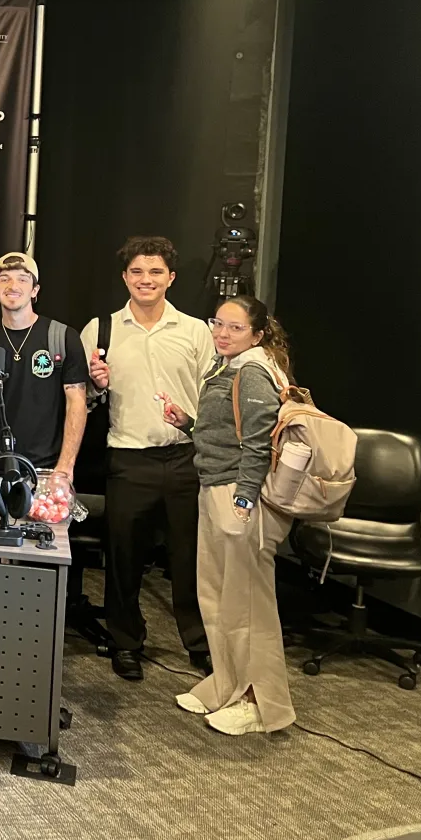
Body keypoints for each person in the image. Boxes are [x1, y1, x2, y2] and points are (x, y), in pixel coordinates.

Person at [82, 236, 217, 682]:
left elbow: (215, 398)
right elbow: (81, 402)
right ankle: (125, 642)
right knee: (124, 558)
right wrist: (97, 386)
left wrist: (193, 422)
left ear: (171, 278)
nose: (146, 280)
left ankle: (199, 643)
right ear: (125, 277)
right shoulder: (100, 329)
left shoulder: (197, 331)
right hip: (128, 458)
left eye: (156, 272)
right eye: (137, 272)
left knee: (191, 558)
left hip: (186, 459)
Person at [160, 295, 295, 736]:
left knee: (248, 604)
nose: (222, 333)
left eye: (235, 328)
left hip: (237, 497)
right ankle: (227, 683)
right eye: (218, 323)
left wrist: (244, 501)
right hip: (214, 487)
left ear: (257, 334)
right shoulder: (228, 367)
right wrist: (188, 423)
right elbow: (226, 432)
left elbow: (257, 445)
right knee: (217, 597)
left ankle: (262, 703)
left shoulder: (254, 371)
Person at [0, 251, 88, 497]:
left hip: (46, 473)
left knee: (47, 536)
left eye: (22, 279)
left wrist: (64, 468)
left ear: (35, 290)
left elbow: (77, 403)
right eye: (5, 279)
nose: (13, 286)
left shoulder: (62, 337)